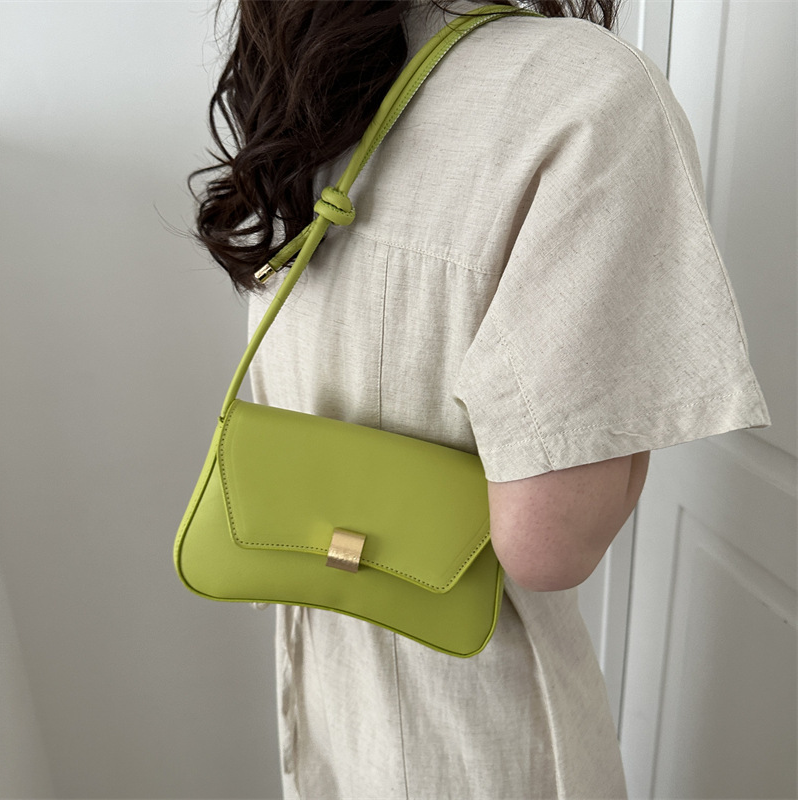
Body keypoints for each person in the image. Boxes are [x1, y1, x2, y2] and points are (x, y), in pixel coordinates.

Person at [188, 0, 772, 796]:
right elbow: (546, 546)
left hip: (326, 708)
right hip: (480, 738)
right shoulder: (588, 94)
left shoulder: (305, 82)